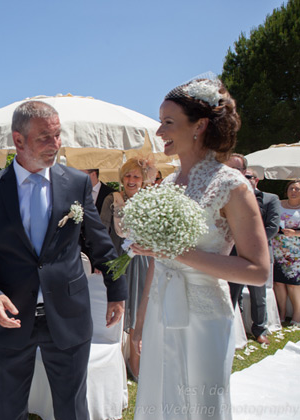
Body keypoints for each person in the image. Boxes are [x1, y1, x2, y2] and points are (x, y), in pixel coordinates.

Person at [0, 100, 127, 420]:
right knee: (9, 411)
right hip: (11, 319)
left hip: (67, 317)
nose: (55, 145)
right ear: (18, 140)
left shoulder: (76, 183)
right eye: (44, 138)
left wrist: (116, 288)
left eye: (58, 135)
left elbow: (99, 242)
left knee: (72, 410)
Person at [131, 78, 269, 420]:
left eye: (168, 122)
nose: (160, 131)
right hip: (162, 308)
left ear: (200, 126)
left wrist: (175, 251)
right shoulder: (167, 185)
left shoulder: (231, 185)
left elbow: (259, 271)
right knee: (159, 398)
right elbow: (157, 264)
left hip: (204, 315)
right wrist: (139, 321)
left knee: (201, 403)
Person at [99, 157, 152, 380]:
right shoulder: (112, 199)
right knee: (117, 306)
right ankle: (115, 362)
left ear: (143, 180)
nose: (131, 180)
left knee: (140, 306)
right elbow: (101, 232)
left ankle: (136, 360)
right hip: (117, 261)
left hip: (142, 261)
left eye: (136, 177)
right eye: (128, 176)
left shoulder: (151, 201)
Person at [225, 155, 281, 344]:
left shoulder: (270, 199)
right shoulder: (226, 197)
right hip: (232, 254)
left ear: (254, 179)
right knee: (232, 293)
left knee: (259, 296)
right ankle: (232, 328)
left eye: (249, 176)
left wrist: (249, 244)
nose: (245, 179)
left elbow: (272, 228)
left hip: (258, 255)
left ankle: (260, 330)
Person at [271, 179, 300, 325]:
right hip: (278, 249)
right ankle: (281, 314)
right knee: (279, 283)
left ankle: (296, 315)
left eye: (297, 189)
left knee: (294, 285)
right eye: (291, 188)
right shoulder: (278, 204)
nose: (294, 191)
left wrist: (295, 233)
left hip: (296, 253)